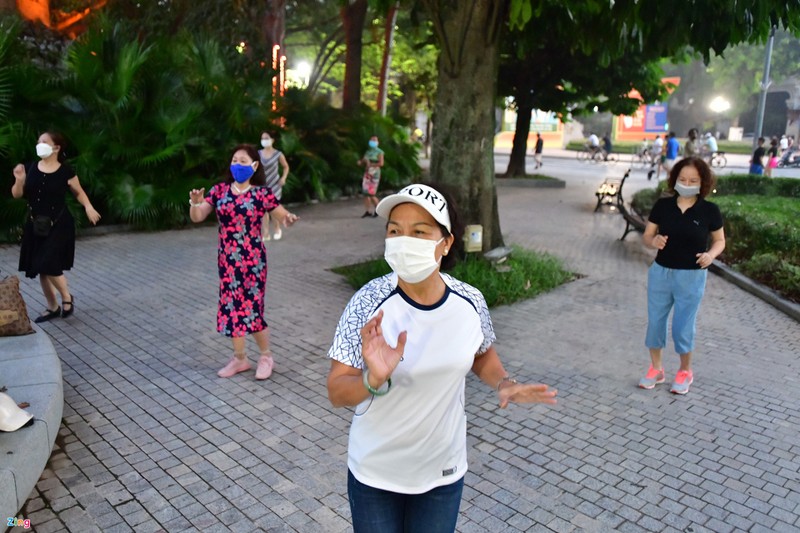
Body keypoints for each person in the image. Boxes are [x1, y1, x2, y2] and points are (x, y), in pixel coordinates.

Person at [326, 183, 558, 532]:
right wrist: (372, 379)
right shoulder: (367, 302)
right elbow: (336, 391)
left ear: (446, 242)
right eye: (395, 231)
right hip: (375, 472)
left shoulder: (470, 302)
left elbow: (481, 356)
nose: (405, 241)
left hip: (442, 472)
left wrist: (505, 383)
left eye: (419, 232)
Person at [189, 144, 299, 380]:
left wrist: (288, 218)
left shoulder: (261, 194)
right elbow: (198, 217)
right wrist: (196, 203)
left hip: (253, 262)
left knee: (251, 309)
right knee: (231, 308)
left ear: (254, 165)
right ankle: (240, 359)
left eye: (243, 161)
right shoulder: (219, 191)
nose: (238, 164)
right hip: (228, 261)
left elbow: (280, 214)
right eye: (235, 160)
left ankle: (266, 356)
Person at [639, 157, 725, 395]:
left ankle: (685, 371)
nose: (687, 183)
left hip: (691, 276)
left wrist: (711, 255)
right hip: (661, 272)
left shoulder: (709, 211)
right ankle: (656, 368)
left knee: (682, 327)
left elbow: (720, 241)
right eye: (683, 179)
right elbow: (647, 236)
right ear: (675, 179)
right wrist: (653, 240)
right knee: (655, 322)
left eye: (693, 180)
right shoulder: (663, 206)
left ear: (702, 183)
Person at [11, 131, 101, 323]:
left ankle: (67, 297)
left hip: (59, 223)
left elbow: (78, 192)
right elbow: (17, 195)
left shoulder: (65, 171)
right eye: (38, 141)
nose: (39, 144)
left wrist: (88, 207)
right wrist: (19, 180)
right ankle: (52, 306)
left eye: (44, 142)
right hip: (36, 223)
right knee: (42, 267)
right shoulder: (30, 168)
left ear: (56, 147)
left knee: (48, 262)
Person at [258, 131, 290, 241]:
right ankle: (266, 232)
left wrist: (283, 178)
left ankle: (277, 229)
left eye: (266, 138)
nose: (264, 140)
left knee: (273, 209)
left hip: (275, 184)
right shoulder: (258, 154)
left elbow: (286, 166)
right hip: (262, 184)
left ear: (272, 140)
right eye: (262, 138)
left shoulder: (278, 154)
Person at [358, 135, 384, 218]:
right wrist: (361, 162)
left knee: (371, 193)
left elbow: (381, 163)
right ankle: (367, 211)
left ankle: (378, 209)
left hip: (375, 173)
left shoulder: (379, 152)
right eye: (372, 140)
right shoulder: (368, 152)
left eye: (374, 140)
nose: (373, 142)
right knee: (366, 193)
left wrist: (371, 164)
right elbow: (363, 160)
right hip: (367, 174)